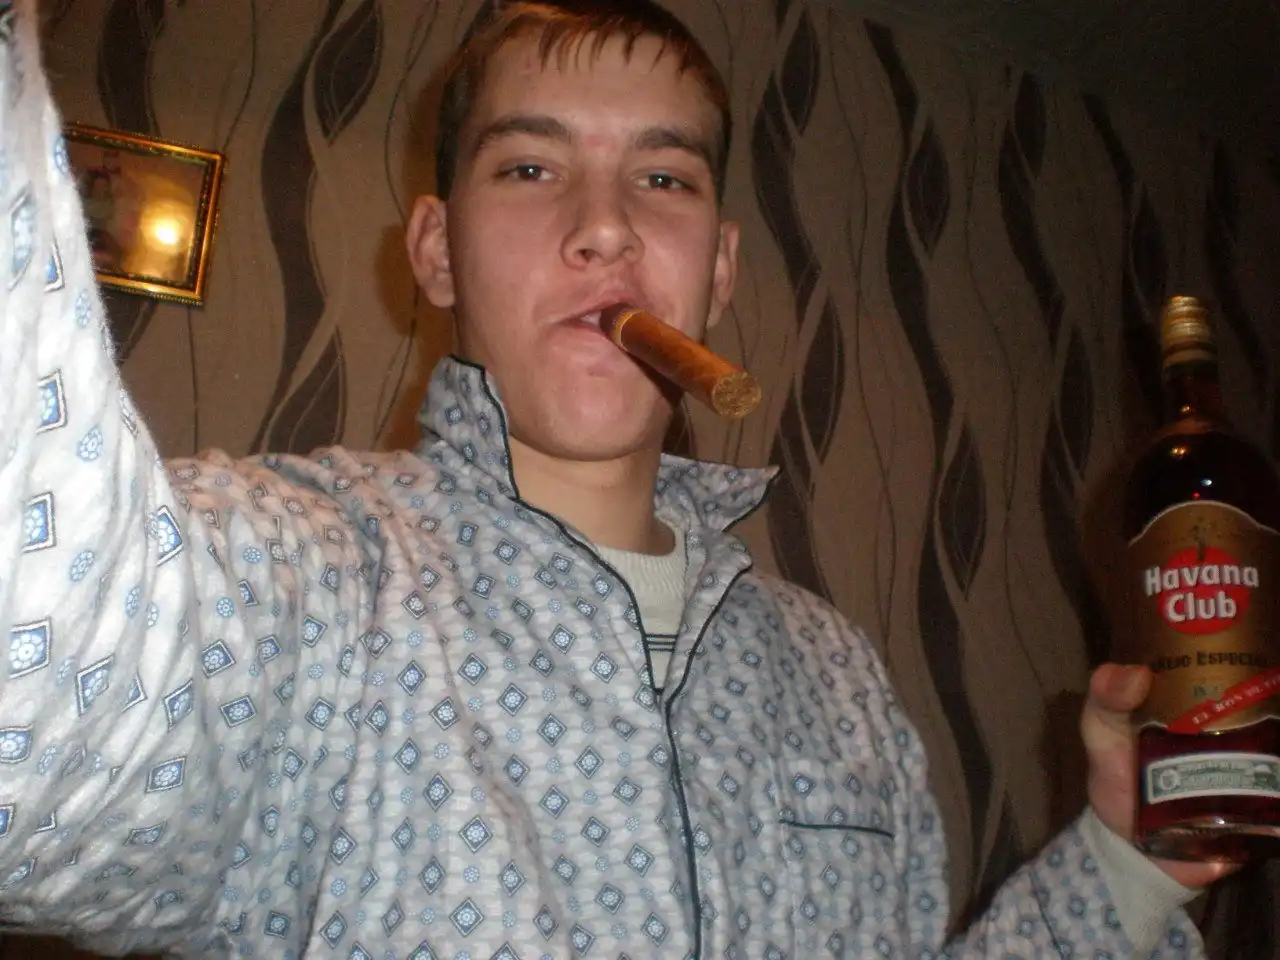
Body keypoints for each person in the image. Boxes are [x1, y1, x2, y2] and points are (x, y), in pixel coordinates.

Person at [0, 0, 1232, 956]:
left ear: (718, 270)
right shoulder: (314, 571)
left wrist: (1125, 863)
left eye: (663, 177)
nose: (605, 228)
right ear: (436, 250)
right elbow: (50, 706)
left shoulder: (837, 673)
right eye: (529, 169)